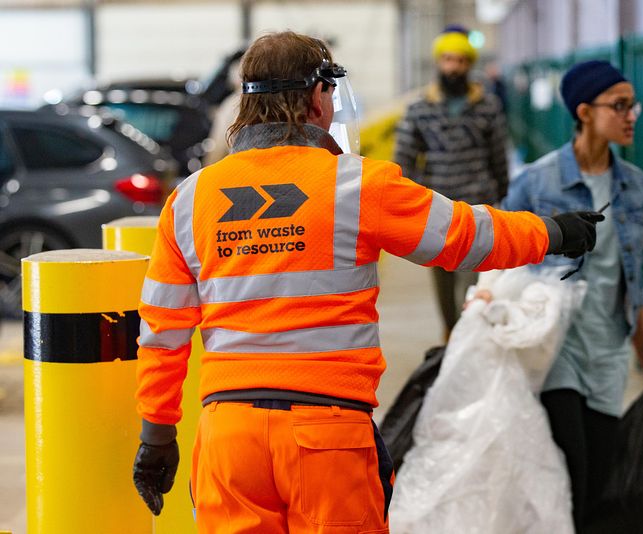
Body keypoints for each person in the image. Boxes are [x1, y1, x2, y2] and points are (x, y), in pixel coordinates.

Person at [131, 31, 603, 533]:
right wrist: (553, 232)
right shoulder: (356, 184)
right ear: (317, 95)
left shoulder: (189, 200)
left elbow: (162, 332)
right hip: (326, 436)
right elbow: (465, 235)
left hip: (228, 439)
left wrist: (156, 435)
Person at [501, 60, 643, 533]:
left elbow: (632, 278)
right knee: (571, 467)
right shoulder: (536, 183)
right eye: (619, 106)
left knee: (600, 477)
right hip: (555, 347)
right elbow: (502, 262)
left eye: (633, 106)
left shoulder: (635, 186)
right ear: (584, 111)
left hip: (609, 351)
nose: (631, 115)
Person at [393, 24, 509, 340]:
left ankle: (467, 336)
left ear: (469, 64)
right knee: (442, 279)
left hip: (477, 206)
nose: (453, 66)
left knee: (471, 280)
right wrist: (414, 198)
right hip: (437, 207)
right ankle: (450, 331)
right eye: (447, 59)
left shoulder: (487, 106)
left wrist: (502, 192)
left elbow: (498, 154)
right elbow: (403, 158)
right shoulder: (419, 108)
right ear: (438, 62)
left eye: (460, 60)